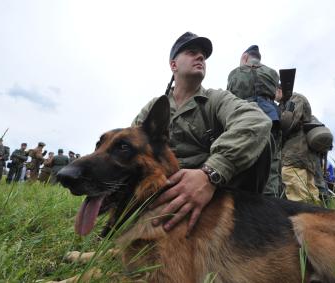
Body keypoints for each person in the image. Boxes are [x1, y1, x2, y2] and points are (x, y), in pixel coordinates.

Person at [132, 32, 272, 234]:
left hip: (214, 192)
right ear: (173, 65)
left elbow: (256, 120)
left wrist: (210, 174)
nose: (200, 58)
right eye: (191, 52)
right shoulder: (153, 108)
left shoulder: (216, 99)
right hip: (161, 193)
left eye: (203, 56)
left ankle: (244, 227)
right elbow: (129, 147)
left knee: (262, 142)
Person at [227, 45, 281, 197]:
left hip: (244, 118)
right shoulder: (272, 73)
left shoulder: (234, 73)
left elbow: (229, 98)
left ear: (245, 57)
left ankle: (242, 199)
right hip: (270, 116)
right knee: (272, 162)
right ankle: (270, 200)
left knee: (241, 156)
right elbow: (276, 96)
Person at [277, 91, 320, 202]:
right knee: (310, 193)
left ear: (279, 89)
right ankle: (315, 216)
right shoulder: (289, 101)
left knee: (297, 194)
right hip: (302, 155)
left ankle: (306, 217)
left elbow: (289, 124)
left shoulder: (295, 98)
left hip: (296, 153)